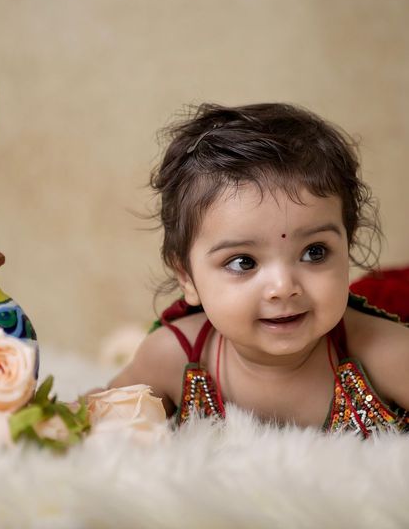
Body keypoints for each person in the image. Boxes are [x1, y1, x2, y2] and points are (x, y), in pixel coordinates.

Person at [109, 103, 409, 438]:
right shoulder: (173, 356)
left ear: (347, 248)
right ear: (187, 278)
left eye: (315, 252)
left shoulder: (385, 353)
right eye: (243, 262)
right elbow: (92, 421)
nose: (283, 287)